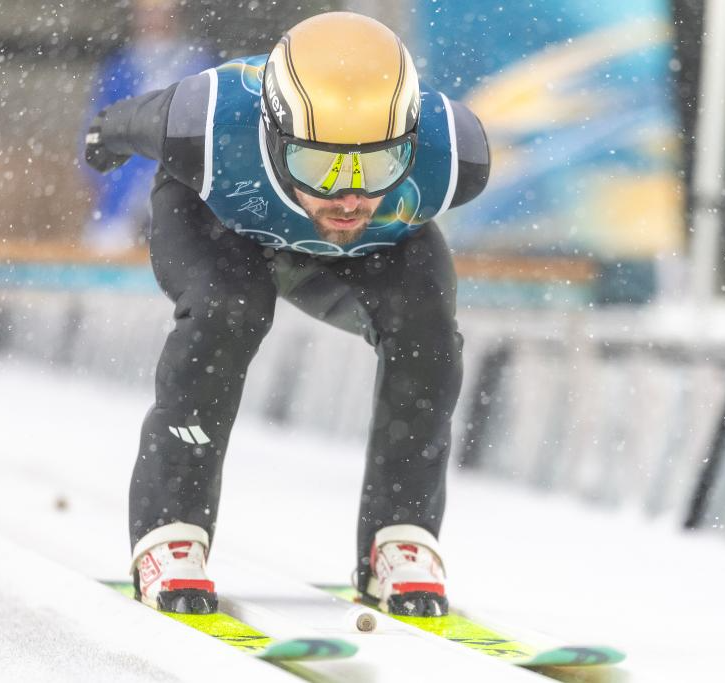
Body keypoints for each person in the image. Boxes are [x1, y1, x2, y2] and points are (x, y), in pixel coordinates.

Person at [84, 11, 490, 617]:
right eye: (320, 166)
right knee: (228, 312)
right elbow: (127, 120)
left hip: (369, 249)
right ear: (272, 133)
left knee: (427, 333)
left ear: (412, 143)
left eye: (379, 165)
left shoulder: (455, 154)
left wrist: (320, 181)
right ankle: (170, 531)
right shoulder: (206, 121)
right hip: (219, 226)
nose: (349, 197)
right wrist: (106, 136)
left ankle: (401, 535)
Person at [82, 0, 213, 252]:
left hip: (183, 194)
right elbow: (95, 133)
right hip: (121, 199)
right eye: (148, 13)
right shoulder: (119, 68)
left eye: (163, 12)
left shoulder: (199, 64)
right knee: (107, 245)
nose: (155, 20)